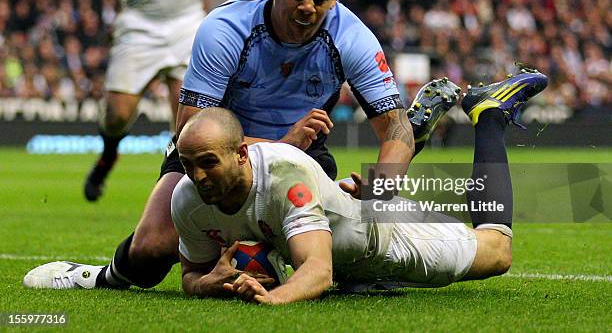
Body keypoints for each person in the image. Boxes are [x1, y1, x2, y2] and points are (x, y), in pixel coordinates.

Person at [22, 0, 459, 291]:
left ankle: (332, 268)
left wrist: (382, 188)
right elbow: (189, 128)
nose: (308, 7)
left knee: (340, 257)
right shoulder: (226, 29)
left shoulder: (352, 37)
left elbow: (396, 127)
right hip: (215, 153)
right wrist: (280, 144)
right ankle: (93, 277)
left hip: (300, 161)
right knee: (153, 249)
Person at [173, 68, 547, 304]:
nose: (199, 176)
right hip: (338, 222)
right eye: (189, 166)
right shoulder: (187, 198)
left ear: (241, 153)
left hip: (381, 239)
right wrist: (208, 283)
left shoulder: (286, 176)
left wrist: (273, 298)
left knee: (497, 251)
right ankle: (410, 137)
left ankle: (490, 113)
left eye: (209, 163)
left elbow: (318, 270)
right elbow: (191, 274)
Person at [82, 0, 248, 201]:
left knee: (187, 123)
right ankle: (108, 156)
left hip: (187, 27)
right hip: (138, 25)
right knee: (116, 115)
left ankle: (173, 195)